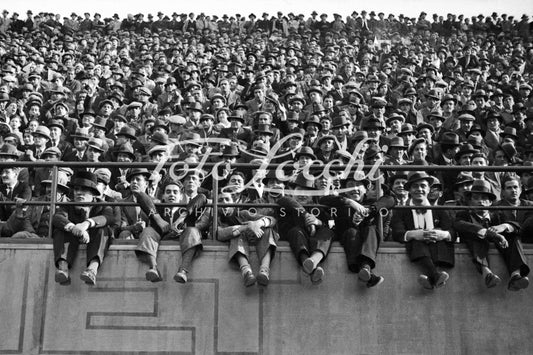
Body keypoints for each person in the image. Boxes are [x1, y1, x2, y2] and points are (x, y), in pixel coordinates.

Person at [454, 179, 530, 290]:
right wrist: (488, 233)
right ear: (470, 202)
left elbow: (516, 226)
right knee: (473, 236)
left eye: (484, 199)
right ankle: (487, 274)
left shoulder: (497, 215)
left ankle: (515, 275)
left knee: (513, 236)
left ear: (490, 202)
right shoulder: (463, 215)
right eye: (476, 198)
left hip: (498, 246)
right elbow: (459, 224)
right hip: (476, 245)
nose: (481, 202)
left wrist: (504, 226)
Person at [320, 176, 395, 287]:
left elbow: (390, 200)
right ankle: (366, 270)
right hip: (349, 240)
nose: (355, 188)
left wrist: (369, 210)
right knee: (351, 232)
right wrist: (349, 201)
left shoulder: (371, 202)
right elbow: (323, 200)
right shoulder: (340, 203)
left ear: (365, 190)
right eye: (350, 186)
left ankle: (366, 268)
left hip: (368, 240)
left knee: (371, 229)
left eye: (358, 185)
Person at [133, 178, 207, 283]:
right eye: (168, 192)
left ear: (181, 196)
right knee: (148, 231)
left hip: (183, 239)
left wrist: (182, 218)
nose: (171, 194)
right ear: (163, 195)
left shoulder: (187, 209)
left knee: (192, 231)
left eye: (175, 192)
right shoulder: (158, 208)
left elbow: (202, 197)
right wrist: (158, 219)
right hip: (160, 237)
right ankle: (153, 268)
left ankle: (183, 271)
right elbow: (140, 195)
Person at [391, 172, 455, 290]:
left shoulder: (440, 210)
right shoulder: (401, 211)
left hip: (437, 246)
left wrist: (442, 234)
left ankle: (431, 278)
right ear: (409, 190)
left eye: (423, 186)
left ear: (428, 189)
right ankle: (435, 275)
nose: (419, 189)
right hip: (416, 246)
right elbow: (397, 232)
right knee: (416, 241)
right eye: (415, 186)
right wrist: (415, 234)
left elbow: (452, 231)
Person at [51, 171, 116, 285]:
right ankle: (63, 269)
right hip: (73, 238)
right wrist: (74, 228)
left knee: (104, 231)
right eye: (76, 189)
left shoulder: (103, 205)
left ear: (92, 193)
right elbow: (57, 217)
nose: (79, 193)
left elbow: (108, 217)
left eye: (84, 190)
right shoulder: (67, 205)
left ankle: (92, 270)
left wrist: (86, 224)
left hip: (94, 239)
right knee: (60, 230)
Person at [276, 173, 335, 284]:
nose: (302, 195)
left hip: (315, 243)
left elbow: (332, 226)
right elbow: (283, 200)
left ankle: (313, 261)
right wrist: (306, 215)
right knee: (296, 231)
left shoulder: (320, 208)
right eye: (299, 191)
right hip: (297, 241)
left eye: (307, 192)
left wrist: (318, 222)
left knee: (327, 232)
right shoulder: (287, 205)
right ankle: (309, 264)